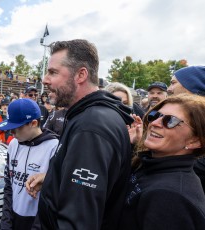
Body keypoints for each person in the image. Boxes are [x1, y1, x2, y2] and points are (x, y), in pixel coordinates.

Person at [29, 39, 133, 229]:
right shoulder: (88, 116)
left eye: (53, 72)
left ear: (81, 74)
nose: (45, 79)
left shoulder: (91, 126)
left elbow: (78, 221)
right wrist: (54, 177)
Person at [119, 94, 205, 230]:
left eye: (170, 121)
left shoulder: (170, 197)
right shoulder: (152, 166)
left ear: (195, 141)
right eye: (155, 115)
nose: (154, 123)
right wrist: (130, 146)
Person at [0, 98, 59, 229]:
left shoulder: (54, 147)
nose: (11, 133)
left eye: (15, 128)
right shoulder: (13, 144)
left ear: (33, 123)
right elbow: (9, 185)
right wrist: (6, 222)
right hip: (13, 218)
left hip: (38, 222)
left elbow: (54, 197)